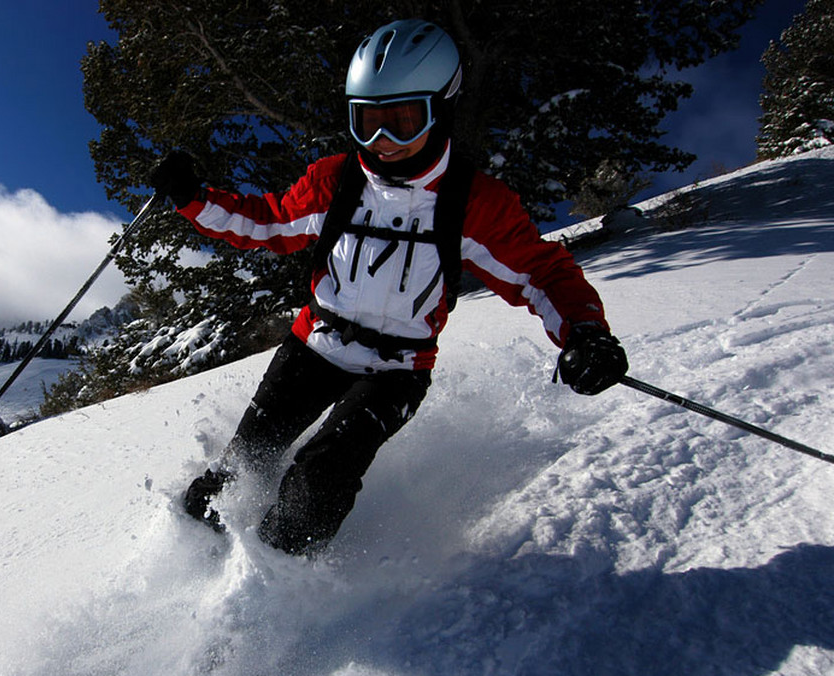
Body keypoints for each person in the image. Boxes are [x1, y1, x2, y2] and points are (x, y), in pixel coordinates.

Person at [149, 19, 628, 556]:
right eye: (367, 122)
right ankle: (186, 562)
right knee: (242, 464)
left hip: (395, 372)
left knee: (318, 480)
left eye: (402, 120)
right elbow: (267, 223)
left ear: (441, 108)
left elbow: (542, 273)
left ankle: (267, 589)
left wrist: (584, 332)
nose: (383, 142)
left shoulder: (474, 204)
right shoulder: (336, 181)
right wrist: (192, 197)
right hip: (314, 347)